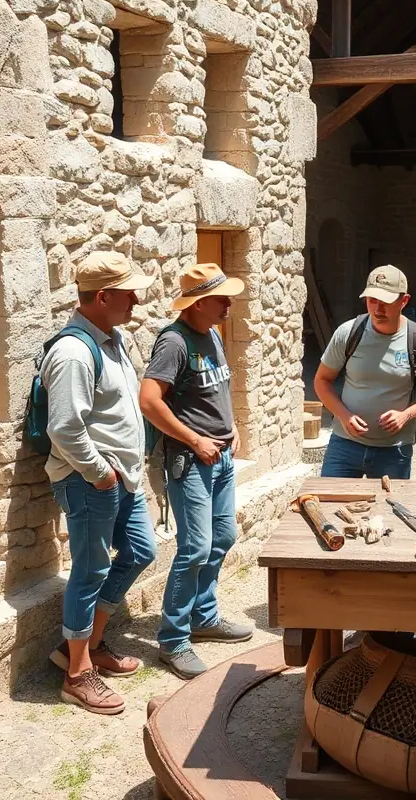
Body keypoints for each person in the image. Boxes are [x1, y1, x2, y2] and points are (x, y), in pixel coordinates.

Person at [43, 252, 158, 716]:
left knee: (140, 551)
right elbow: (65, 427)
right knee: (90, 571)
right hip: (90, 481)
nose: (137, 299)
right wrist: (99, 472)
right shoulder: (73, 351)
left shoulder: (113, 339)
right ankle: (76, 675)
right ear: (104, 296)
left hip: (118, 479)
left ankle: (86, 646)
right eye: (129, 292)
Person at [140, 262, 253, 680]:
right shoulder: (174, 342)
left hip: (220, 457)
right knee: (196, 547)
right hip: (192, 461)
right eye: (222, 298)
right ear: (200, 302)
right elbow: (150, 401)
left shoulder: (212, 336)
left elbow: (217, 390)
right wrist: (195, 440)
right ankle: (172, 640)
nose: (229, 304)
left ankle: (203, 618)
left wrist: (232, 427)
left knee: (222, 536)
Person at [315, 265, 416, 479]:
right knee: (331, 506)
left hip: (394, 451)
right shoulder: (348, 333)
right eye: (372, 300)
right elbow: (322, 380)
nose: (378, 309)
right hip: (344, 446)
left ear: (404, 301)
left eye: (386, 302)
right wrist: (343, 415)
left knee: (389, 509)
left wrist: (407, 415)